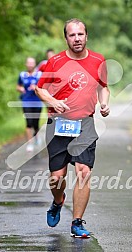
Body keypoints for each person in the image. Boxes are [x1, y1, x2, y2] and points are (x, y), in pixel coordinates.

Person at [35, 18, 110, 238]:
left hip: (84, 123)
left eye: (80, 34)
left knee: (83, 172)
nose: (76, 39)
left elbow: (104, 87)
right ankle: (58, 201)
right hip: (58, 124)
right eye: (72, 35)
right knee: (57, 177)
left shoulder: (98, 60)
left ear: (87, 36)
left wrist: (104, 103)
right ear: (66, 38)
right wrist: (53, 102)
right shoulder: (56, 61)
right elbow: (40, 89)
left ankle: (77, 223)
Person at [17, 57, 43, 152]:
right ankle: (29, 143)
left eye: (32, 63)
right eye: (29, 63)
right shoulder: (22, 75)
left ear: (35, 64)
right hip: (26, 101)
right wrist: (20, 89)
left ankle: (36, 136)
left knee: (35, 123)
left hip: (37, 102)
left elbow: (44, 87)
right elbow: (18, 86)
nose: (30, 65)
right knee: (28, 123)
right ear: (26, 64)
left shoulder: (39, 75)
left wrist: (36, 87)